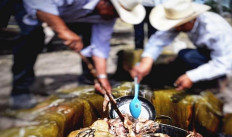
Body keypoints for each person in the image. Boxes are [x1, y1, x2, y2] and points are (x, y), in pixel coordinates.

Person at [6, 0, 146, 109]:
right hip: (33, 5)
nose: (114, 17)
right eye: (115, 12)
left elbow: (100, 46)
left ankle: (89, 79)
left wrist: (102, 77)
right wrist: (63, 31)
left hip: (71, 14)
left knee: (88, 38)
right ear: (104, 1)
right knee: (32, 37)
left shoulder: (108, 16)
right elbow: (39, 3)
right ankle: (20, 90)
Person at [130, 0, 232, 91]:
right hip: (207, 52)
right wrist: (146, 61)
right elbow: (159, 39)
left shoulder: (214, 29)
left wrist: (191, 76)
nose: (176, 28)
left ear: (191, 19)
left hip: (231, 58)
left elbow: (222, 63)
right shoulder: (183, 23)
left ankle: (210, 84)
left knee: (188, 59)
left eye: (179, 25)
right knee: (184, 55)